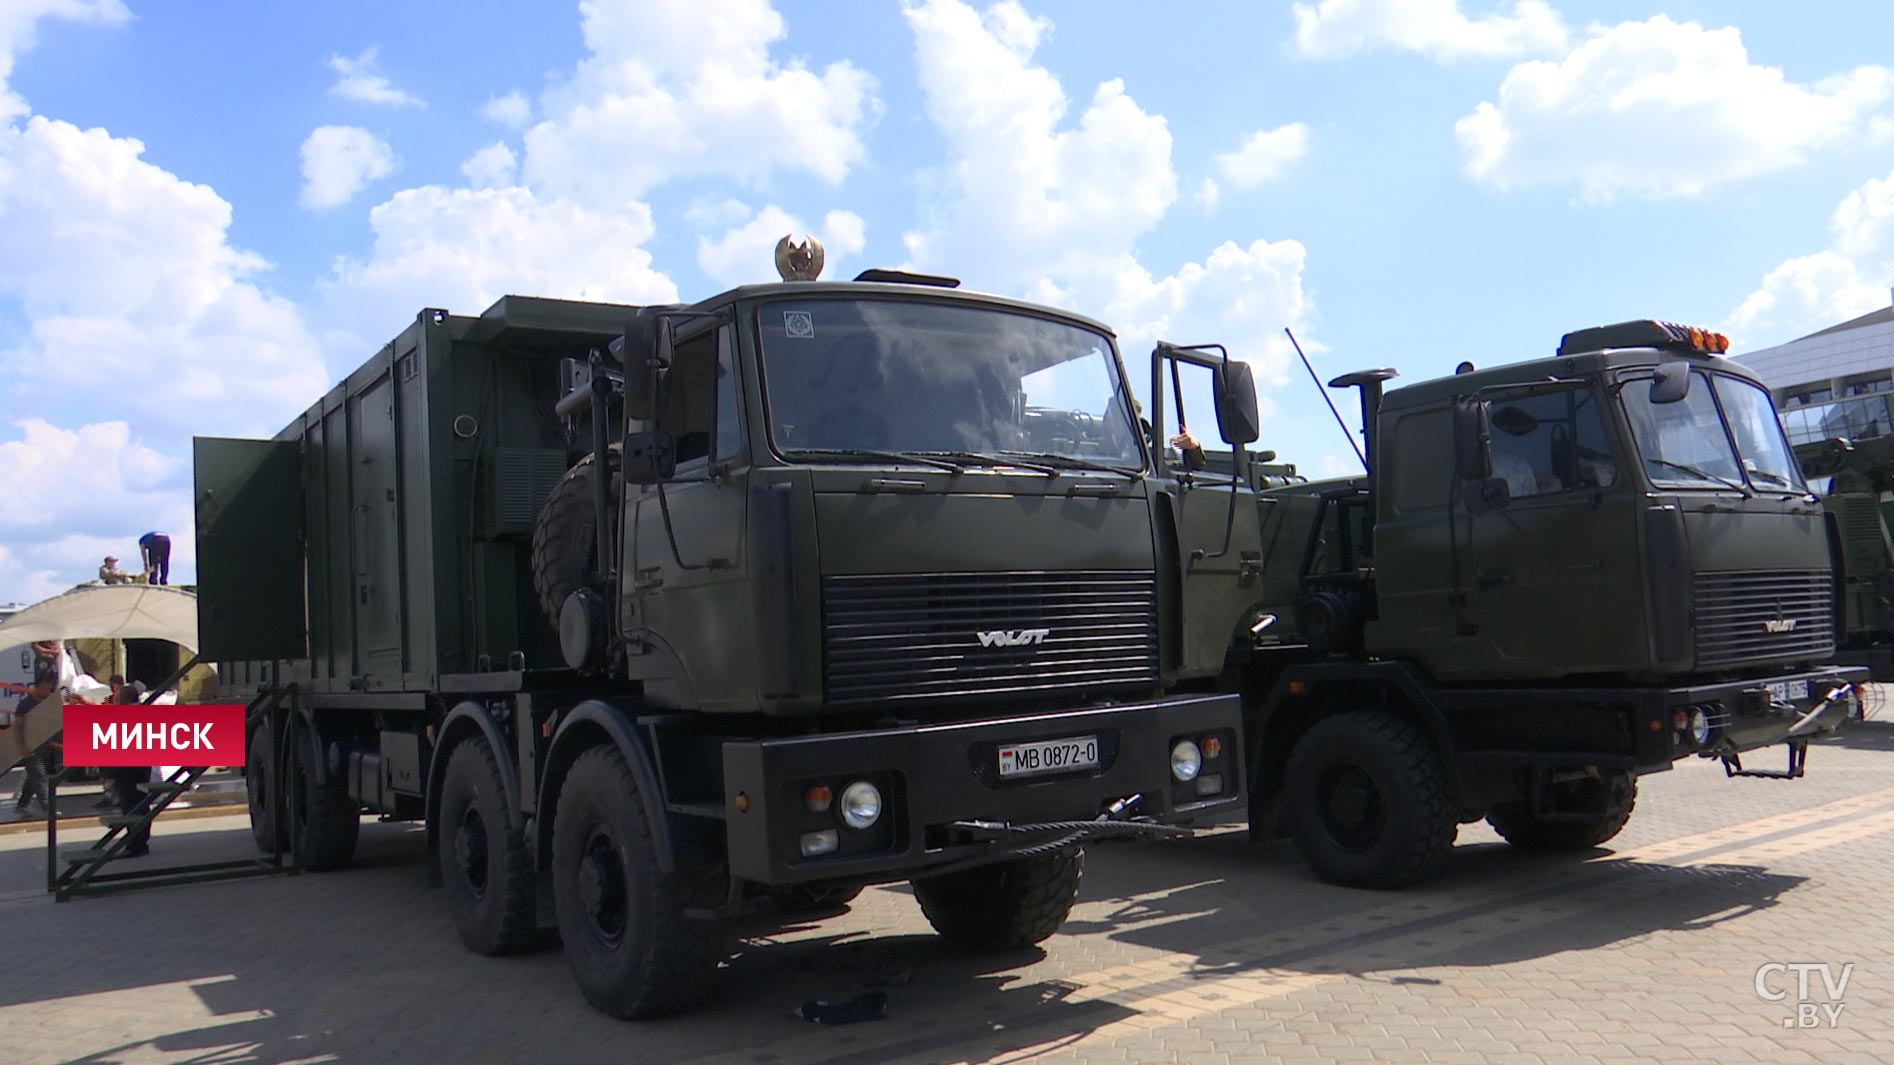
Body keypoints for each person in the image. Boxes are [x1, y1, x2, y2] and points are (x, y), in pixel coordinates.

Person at [108, 682, 153, 857]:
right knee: (142, 802)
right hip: (143, 765)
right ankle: (141, 840)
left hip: (127, 767)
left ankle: (135, 843)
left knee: (130, 805)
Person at [11, 676, 54, 818]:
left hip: (45, 746)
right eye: (45, 688)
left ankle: (21, 806)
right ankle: (48, 809)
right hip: (30, 747)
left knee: (33, 779)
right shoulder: (25, 704)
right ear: (37, 687)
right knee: (40, 777)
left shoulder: (48, 703)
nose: (47, 691)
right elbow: (17, 727)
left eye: (49, 689)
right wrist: (22, 747)